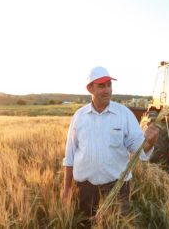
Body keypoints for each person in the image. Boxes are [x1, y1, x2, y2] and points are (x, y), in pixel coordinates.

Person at [61, 66, 159, 227]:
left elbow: (138, 150)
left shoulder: (124, 114)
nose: (107, 90)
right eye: (101, 86)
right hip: (86, 188)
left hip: (117, 187)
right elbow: (70, 155)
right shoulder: (79, 117)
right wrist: (66, 188)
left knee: (118, 225)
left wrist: (150, 142)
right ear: (90, 88)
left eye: (109, 85)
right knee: (86, 224)